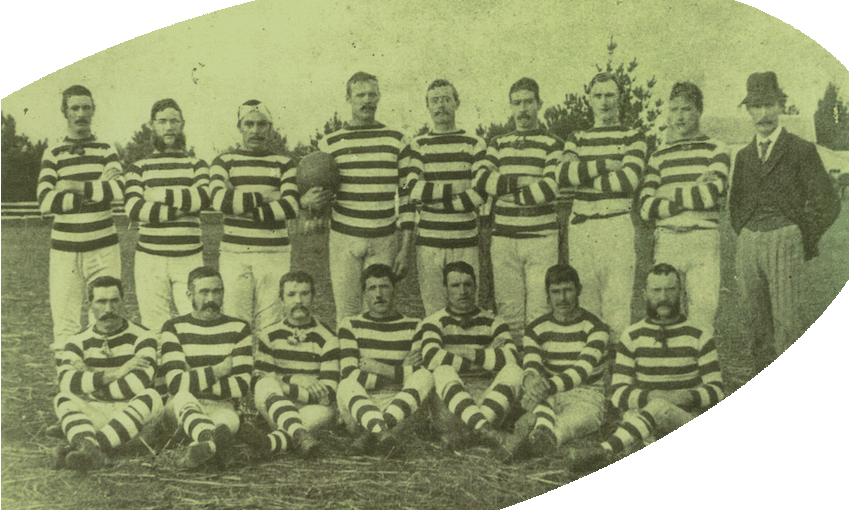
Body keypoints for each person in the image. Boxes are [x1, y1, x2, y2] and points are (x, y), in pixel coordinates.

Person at [728, 72, 840, 374]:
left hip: (786, 241)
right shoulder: (743, 156)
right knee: (755, 325)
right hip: (750, 243)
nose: (763, 113)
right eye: (756, 106)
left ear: (781, 106)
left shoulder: (800, 150)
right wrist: (747, 229)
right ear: (748, 110)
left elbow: (829, 202)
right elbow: (735, 204)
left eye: (769, 105)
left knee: (788, 326)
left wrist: (801, 233)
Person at [568, 264, 724, 471]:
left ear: (681, 292)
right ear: (644, 294)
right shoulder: (633, 335)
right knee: (642, 416)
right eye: (656, 290)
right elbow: (618, 394)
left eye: (670, 289)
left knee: (657, 410)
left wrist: (685, 396)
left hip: (685, 419)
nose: (663, 297)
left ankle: (605, 450)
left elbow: (717, 390)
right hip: (643, 421)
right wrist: (650, 397)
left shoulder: (700, 334)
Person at [209, 100, 330, 335]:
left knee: (271, 323)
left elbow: (288, 208)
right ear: (239, 126)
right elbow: (219, 202)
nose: (255, 130)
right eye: (249, 124)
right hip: (235, 253)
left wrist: (240, 201)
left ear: (270, 127)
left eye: (262, 124)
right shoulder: (224, 162)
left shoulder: (283, 164)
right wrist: (268, 196)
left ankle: (265, 371)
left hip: (274, 253)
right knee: (235, 320)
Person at [556, 72, 647, 345]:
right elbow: (563, 175)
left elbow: (628, 180)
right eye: (598, 96)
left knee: (617, 304)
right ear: (589, 99)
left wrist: (582, 174)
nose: (604, 102)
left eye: (610, 95)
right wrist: (606, 165)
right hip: (582, 226)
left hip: (615, 224)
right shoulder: (577, 136)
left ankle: (618, 373)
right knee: (586, 302)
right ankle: (592, 372)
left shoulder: (633, 136)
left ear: (620, 99)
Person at [317, 72, 413, 326]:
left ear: (379, 97)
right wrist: (315, 204)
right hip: (344, 238)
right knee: (347, 312)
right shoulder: (330, 142)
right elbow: (319, 193)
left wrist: (405, 248)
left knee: (379, 310)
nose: (366, 100)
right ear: (348, 98)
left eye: (372, 94)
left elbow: (407, 196)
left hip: (384, 238)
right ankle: (347, 365)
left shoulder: (396, 139)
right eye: (360, 95)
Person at [471, 77, 563, 339]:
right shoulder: (499, 143)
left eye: (528, 102)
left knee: (540, 308)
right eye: (517, 103)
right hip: (504, 239)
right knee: (509, 311)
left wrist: (504, 191)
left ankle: (536, 363)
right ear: (510, 107)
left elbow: (549, 189)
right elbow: (480, 180)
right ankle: (511, 367)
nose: (523, 109)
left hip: (541, 238)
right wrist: (523, 183)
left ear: (539, 104)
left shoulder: (553, 143)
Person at [37, 85, 124, 355]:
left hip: (103, 247)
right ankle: (69, 386)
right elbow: (45, 202)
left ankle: (100, 381)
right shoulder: (53, 153)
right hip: (65, 250)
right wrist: (96, 189)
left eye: (86, 107)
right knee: (65, 323)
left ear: (93, 110)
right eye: (75, 108)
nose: (81, 113)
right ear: (65, 112)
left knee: (105, 318)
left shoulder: (107, 149)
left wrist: (71, 185)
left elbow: (118, 191)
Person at [638, 83, 730, 327]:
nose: (679, 116)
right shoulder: (659, 154)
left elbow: (709, 196)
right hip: (668, 240)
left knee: (703, 314)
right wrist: (692, 191)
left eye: (687, 109)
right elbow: (646, 207)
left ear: (699, 111)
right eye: (674, 109)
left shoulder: (716, 148)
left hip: (703, 239)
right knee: (664, 313)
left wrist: (667, 194)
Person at [52, 276, 162, 471]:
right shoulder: (77, 340)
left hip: (130, 415)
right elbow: (67, 382)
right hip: (96, 412)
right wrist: (118, 372)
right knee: (63, 398)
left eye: (114, 301)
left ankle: (88, 446)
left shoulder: (143, 336)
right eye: (101, 301)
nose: (109, 309)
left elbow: (137, 385)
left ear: (123, 300)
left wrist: (90, 381)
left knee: (151, 396)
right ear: (90, 304)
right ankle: (92, 450)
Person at [401, 79, 488, 316]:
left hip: (465, 240)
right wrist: (458, 190)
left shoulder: (474, 142)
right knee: (435, 312)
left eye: (446, 99)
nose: (441, 106)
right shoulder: (419, 144)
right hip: (429, 243)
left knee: (467, 307)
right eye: (435, 100)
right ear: (428, 106)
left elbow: (480, 193)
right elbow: (412, 189)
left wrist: (435, 195)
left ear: (457, 102)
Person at [415, 261, 523, 452]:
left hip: (489, 400)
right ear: (446, 290)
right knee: (443, 370)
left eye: (467, 284)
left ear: (475, 286)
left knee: (514, 370)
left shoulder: (494, 321)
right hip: (450, 407)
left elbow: (511, 358)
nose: (462, 291)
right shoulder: (433, 322)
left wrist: (463, 351)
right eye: (455, 286)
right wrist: (486, 357)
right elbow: (432, 359)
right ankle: (487, 433)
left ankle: (473, 434)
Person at [125, 99, 211, 333]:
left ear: (182, 124)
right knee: (154, 328)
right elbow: (134, 209)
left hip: (189, 257)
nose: (169, 127)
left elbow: (203, 198)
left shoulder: (197, 165)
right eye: (162, 121)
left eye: (174, 121)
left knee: (195, 324)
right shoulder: (138, 167)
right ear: (152, 126)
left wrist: (157, 194)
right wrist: (183, 205)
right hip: (150, 260)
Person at [160, 267, 253, 470]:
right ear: (189, 295)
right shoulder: (173, 327)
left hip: (222, 406)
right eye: (204, 292)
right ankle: (213, 446)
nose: (211, 298)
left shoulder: (239, 328)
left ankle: (202, 448)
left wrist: (193, 378)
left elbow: (242, 386)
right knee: (184, 397)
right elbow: (175, 385)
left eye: (217, 291)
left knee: (227, 422)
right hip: (181, 407)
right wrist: (220, 369)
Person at [336, 264, 433, 455]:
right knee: (346, 384)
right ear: (364, 294)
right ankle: (382, 433)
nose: (379, 294)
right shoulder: (350, 325)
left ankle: (374, 434)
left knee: (425, 376)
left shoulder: (414, 325)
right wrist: (399, 370)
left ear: (394, 290)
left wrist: (378, 368)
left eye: (384, 287)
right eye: (372, 288)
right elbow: (349, 373)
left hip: (401, 409)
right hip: (360, 408)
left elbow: (416, 373)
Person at [516, 264, 610, 457]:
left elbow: (581, 370)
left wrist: (544, 387)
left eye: (568, 290)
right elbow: (531, 365)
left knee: (565, 424)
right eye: (556, 292)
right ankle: (535, 434)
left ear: (579, 291)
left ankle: (544, 440)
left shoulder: (596, 327)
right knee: (537, 408)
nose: (562, 298)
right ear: (547, 294)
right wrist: (532, 383)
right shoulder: (535, 328)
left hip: (586, 396)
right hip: (550, 394)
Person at [248, 271, 339, 458]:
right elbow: (259, 381)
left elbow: (328, 393)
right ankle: (297, 435)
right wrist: (297, 379)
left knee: (322, 413)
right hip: (275, 406)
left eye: (305, 294)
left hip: (311, 408)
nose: (298, 300)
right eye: (291, 295)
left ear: (313, 297)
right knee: (264, 384)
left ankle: (270, 443)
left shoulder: (328, 338)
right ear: (281, 299)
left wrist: (284, 386)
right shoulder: (269, 335)